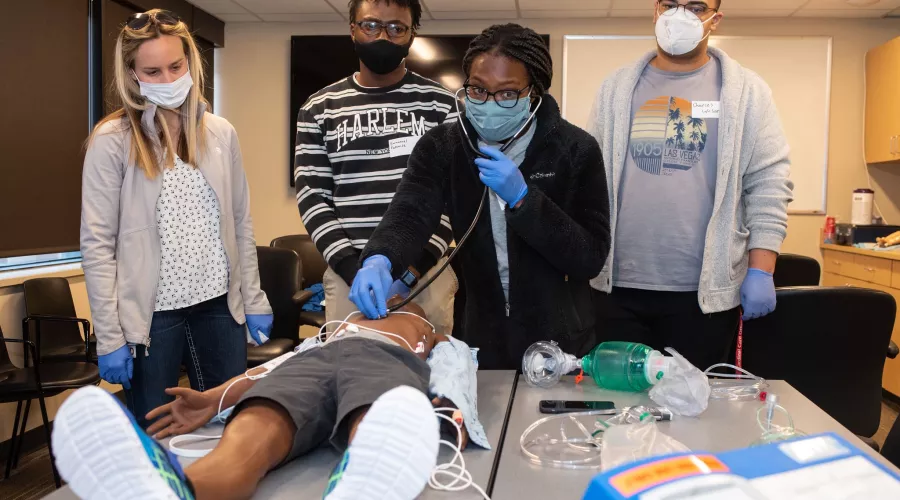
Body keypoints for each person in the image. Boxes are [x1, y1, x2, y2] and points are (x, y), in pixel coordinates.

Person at [353, 24, 611, 370]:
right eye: (477, 90)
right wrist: (380, 259)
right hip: (481, 331)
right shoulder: (444, 147)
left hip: (559, 337)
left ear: (533, 93)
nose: (489, 104)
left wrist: (523, 200)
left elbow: (590, 257)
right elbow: (410, 212)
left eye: (507, 93)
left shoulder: (575, 149)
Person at [52, 297, 485, 500]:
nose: (389, 294)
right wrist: (215, 399)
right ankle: (179, 492)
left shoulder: (425, 330)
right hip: (313, 360)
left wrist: (450, 410)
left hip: (381, 359)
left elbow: (454, 366)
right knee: (252, 430)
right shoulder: (337, 324)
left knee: (379, 419)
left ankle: (363, 484)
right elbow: (271, 368)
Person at [80, 9, 273, 428]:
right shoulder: (111, 142)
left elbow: (240, 223)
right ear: (132, 74)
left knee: (230, 422)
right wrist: (110, 338)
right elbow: (97, 246)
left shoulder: (221, 133)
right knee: (157, 431)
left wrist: (254, 299)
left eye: (176, 66)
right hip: (152, 319)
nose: (168, 80)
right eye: (152, 70)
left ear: (191, 62)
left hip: (219, 307)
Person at [587, 0, 793, 369]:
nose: (680, 15)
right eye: (671, 4)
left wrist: (762, 270)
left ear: (715, 20)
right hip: (617, 289)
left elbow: (768, 181)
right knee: (619, 411)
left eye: (696, 6)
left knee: (693, 412)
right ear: (655, 10)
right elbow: (590, 176)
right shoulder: (616, 88)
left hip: (702, 298)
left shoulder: (747, 92)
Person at [294, 0, 457, 335]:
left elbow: (453, 198)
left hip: (425, 278)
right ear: (352, 29)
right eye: (371, 25)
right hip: (348, 278)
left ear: (411, 36)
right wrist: (354, 271)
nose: (384, 36)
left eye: (397, 28)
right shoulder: (318, 108)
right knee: (348, 376)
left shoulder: (442, 105)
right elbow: (313, 198)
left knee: (432, 379)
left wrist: (409, 272)